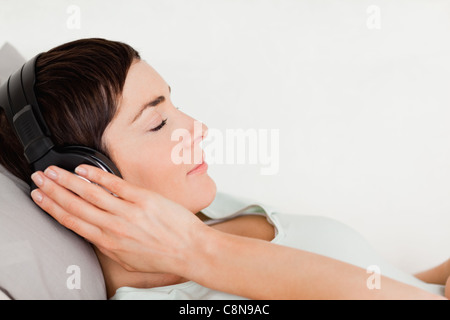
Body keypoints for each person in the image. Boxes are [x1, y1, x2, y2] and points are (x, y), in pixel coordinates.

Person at [0, 38, 448, 300]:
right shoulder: (193, 259)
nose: (198, 128)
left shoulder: (200, 212)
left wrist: (436, 277)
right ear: (85, 175)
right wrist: (195, 250)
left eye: (173, 106)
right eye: (157, 123)